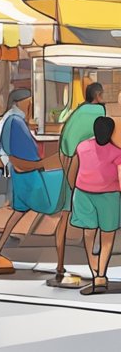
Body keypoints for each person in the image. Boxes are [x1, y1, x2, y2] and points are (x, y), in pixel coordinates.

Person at [0, 88, 67, 273]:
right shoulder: (16, 122)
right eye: (29, 101)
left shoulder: (13, 120)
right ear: (21, 102)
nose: (31, 105)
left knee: (18, 213)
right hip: (30, 177)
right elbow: (22, 158)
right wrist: (44, 164)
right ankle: (60, 261)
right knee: (63, 191)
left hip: (23, 176)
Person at [53, 82, 111, 285]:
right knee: (95, 223)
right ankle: (97, 269)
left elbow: (65, 145)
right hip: (87, 173)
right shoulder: (99, 111)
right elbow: (103, 140)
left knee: (64, 219)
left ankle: (60, 265)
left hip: (70, 168)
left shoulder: (76, 113)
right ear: (98, 95)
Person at [67, 116, 121, 295]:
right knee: (107, 238)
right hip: (109, 197)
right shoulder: (116, 152)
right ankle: (101, 276)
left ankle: (95, 271)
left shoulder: (82, 147)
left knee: (89, 236)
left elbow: (71, 172)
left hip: (83, 194)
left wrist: (75, 187)